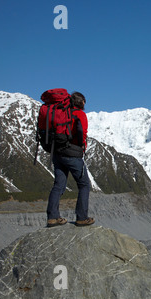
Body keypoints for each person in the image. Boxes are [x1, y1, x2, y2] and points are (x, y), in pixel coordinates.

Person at [46, 91, 95, 227]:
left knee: (58, 185)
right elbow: (82, 132)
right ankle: (82, 217)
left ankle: (52, 217)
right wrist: (81, 147)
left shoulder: (60, 113)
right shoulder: (79, 114)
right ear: (82, 102)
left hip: (57, 153)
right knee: (84, 185)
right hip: (72, 154)